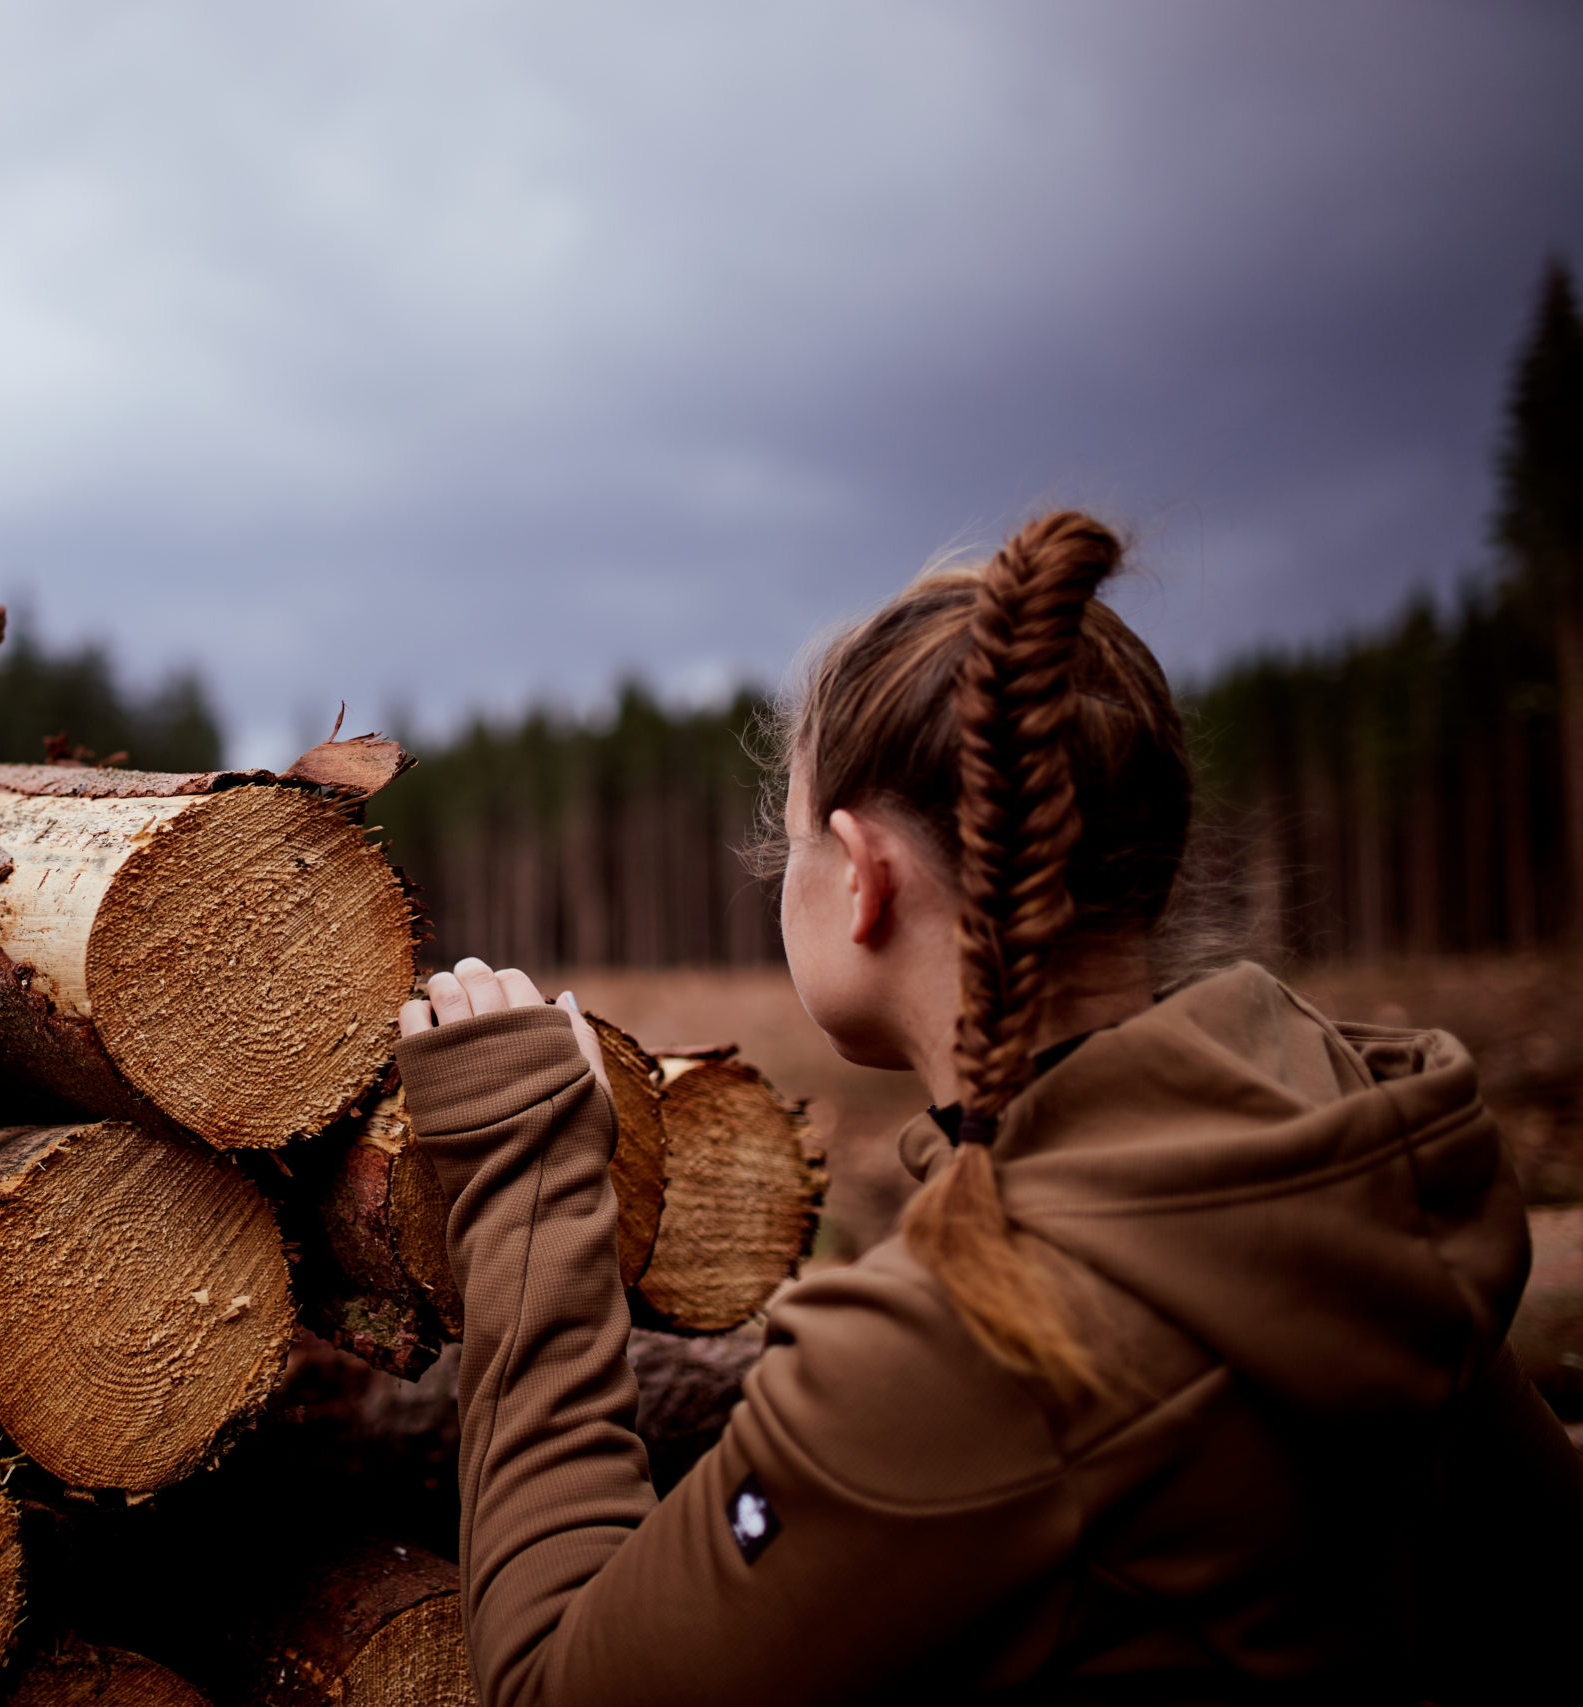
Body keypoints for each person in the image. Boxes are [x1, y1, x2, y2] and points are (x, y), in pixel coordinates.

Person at [393, 511, 1583, 1704]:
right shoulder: (1349, 1159)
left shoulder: (972, 1347)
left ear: (863, 880)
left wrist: (532, 1171)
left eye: (790, 845)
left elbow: (555, 1688)